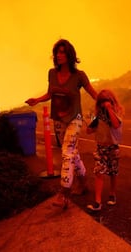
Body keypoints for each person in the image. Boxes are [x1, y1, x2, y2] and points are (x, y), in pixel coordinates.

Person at [25, 39, 97, 209]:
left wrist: (108, 103)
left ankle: (63, 193)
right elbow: (50, 93)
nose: (59, 55)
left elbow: (93, 93)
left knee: (67, 152)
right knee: (73, 153)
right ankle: (83, 183)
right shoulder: (52, 73)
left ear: (69, 55)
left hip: (75, 119)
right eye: (57, 52)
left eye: (63, 52)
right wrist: (37, 100)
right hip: (58, 119)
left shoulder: (79, 76)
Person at [86, 89, 124, 211]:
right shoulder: (99, 116)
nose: (104, 104)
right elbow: (89, 130)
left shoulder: (116, 113)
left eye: (107, 101)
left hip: (113, 148)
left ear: (112, 101)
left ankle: (112, 194)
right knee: (99, 172)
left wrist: (109, 109)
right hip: (101, 148)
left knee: (113, 173)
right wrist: (92, 125)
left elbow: (116, 124)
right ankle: (97, 202)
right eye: (102, 102)